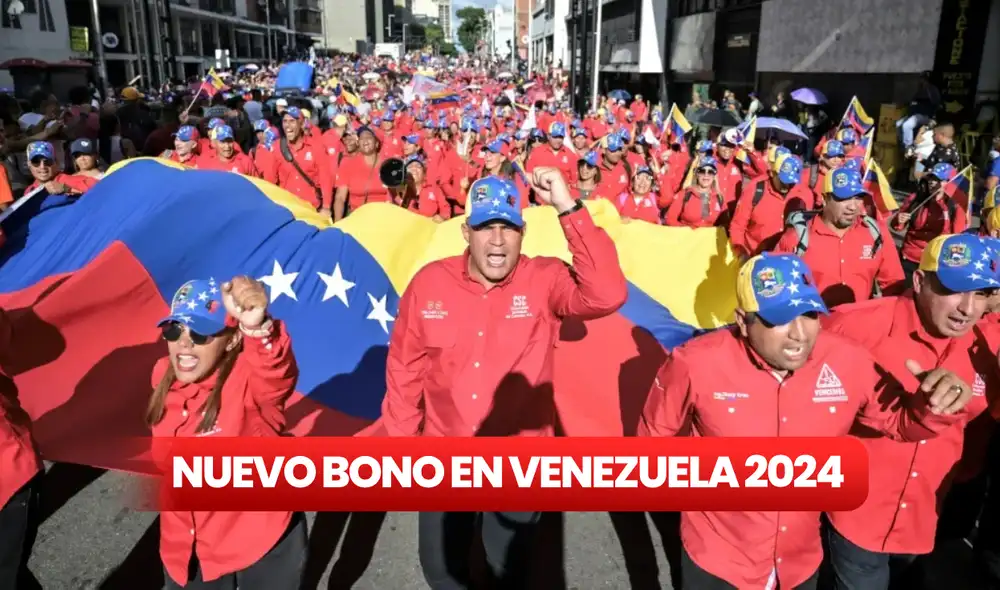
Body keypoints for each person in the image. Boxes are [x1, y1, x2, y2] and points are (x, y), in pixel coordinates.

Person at [637, 251, 976, 590]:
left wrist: (931, 408)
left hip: (799, 562)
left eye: (810, 314)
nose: (799, 334)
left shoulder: (849, 360)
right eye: (779, 319)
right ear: (742, 320)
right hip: (719, 559)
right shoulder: (694, 363)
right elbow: (653, 442)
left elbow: (899, 424)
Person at [383, 168, 628, 589]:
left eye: (508, 228)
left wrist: (568, 207)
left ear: (523, 232)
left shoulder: (545, 279)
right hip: (445, 459)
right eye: (485, 227)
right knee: (442, 569)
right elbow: (405, 369)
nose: (497, 241)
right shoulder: (429, 284)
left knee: (508, 572)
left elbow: (607, 293)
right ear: (465, 231)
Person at [822, 233, 1000, 590]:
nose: (966, 307)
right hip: (855, 513)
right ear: (919, 281)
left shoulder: (987, 348)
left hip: (924, 522)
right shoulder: (853, 326)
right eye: (953, 289)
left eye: (980, 293)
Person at [150, 276, 306, 590]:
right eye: (173, 329)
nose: (184, 342)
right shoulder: (161, 379)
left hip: (260, 543)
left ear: (232, 340)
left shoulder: (250, 383)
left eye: (200, 333)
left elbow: (275, 370)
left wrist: (257, 326)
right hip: (187, 550)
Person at [772, 167, 904, 308]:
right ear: (824, 199)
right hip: (814, 326)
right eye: (844, 198)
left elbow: (894, 285)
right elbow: (774, 290)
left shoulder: (876, 233)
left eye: (858, 198)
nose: (853, 207)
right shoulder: (796, 238)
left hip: (860, 326)